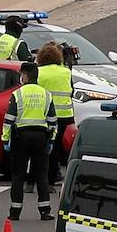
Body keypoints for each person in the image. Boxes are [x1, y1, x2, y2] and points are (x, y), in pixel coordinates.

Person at [3, 62, 57, 221]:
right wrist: (52, 140)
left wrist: (5, 139)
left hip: (21, 136)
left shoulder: (17, 94)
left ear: (25, 76)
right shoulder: (46, 94)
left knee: (18, 174)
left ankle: (15, 211)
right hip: (41, 136)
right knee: (41, 174)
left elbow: (9, 120)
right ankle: (45, 210)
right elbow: (53, 121)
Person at [35, 42, 75, 185]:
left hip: (45, 114)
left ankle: (47, 176)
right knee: (57, 145)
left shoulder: (38, 72)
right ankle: (55, 174)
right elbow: (72, 90)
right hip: (65, 115)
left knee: (46, 146)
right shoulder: (65, 72)